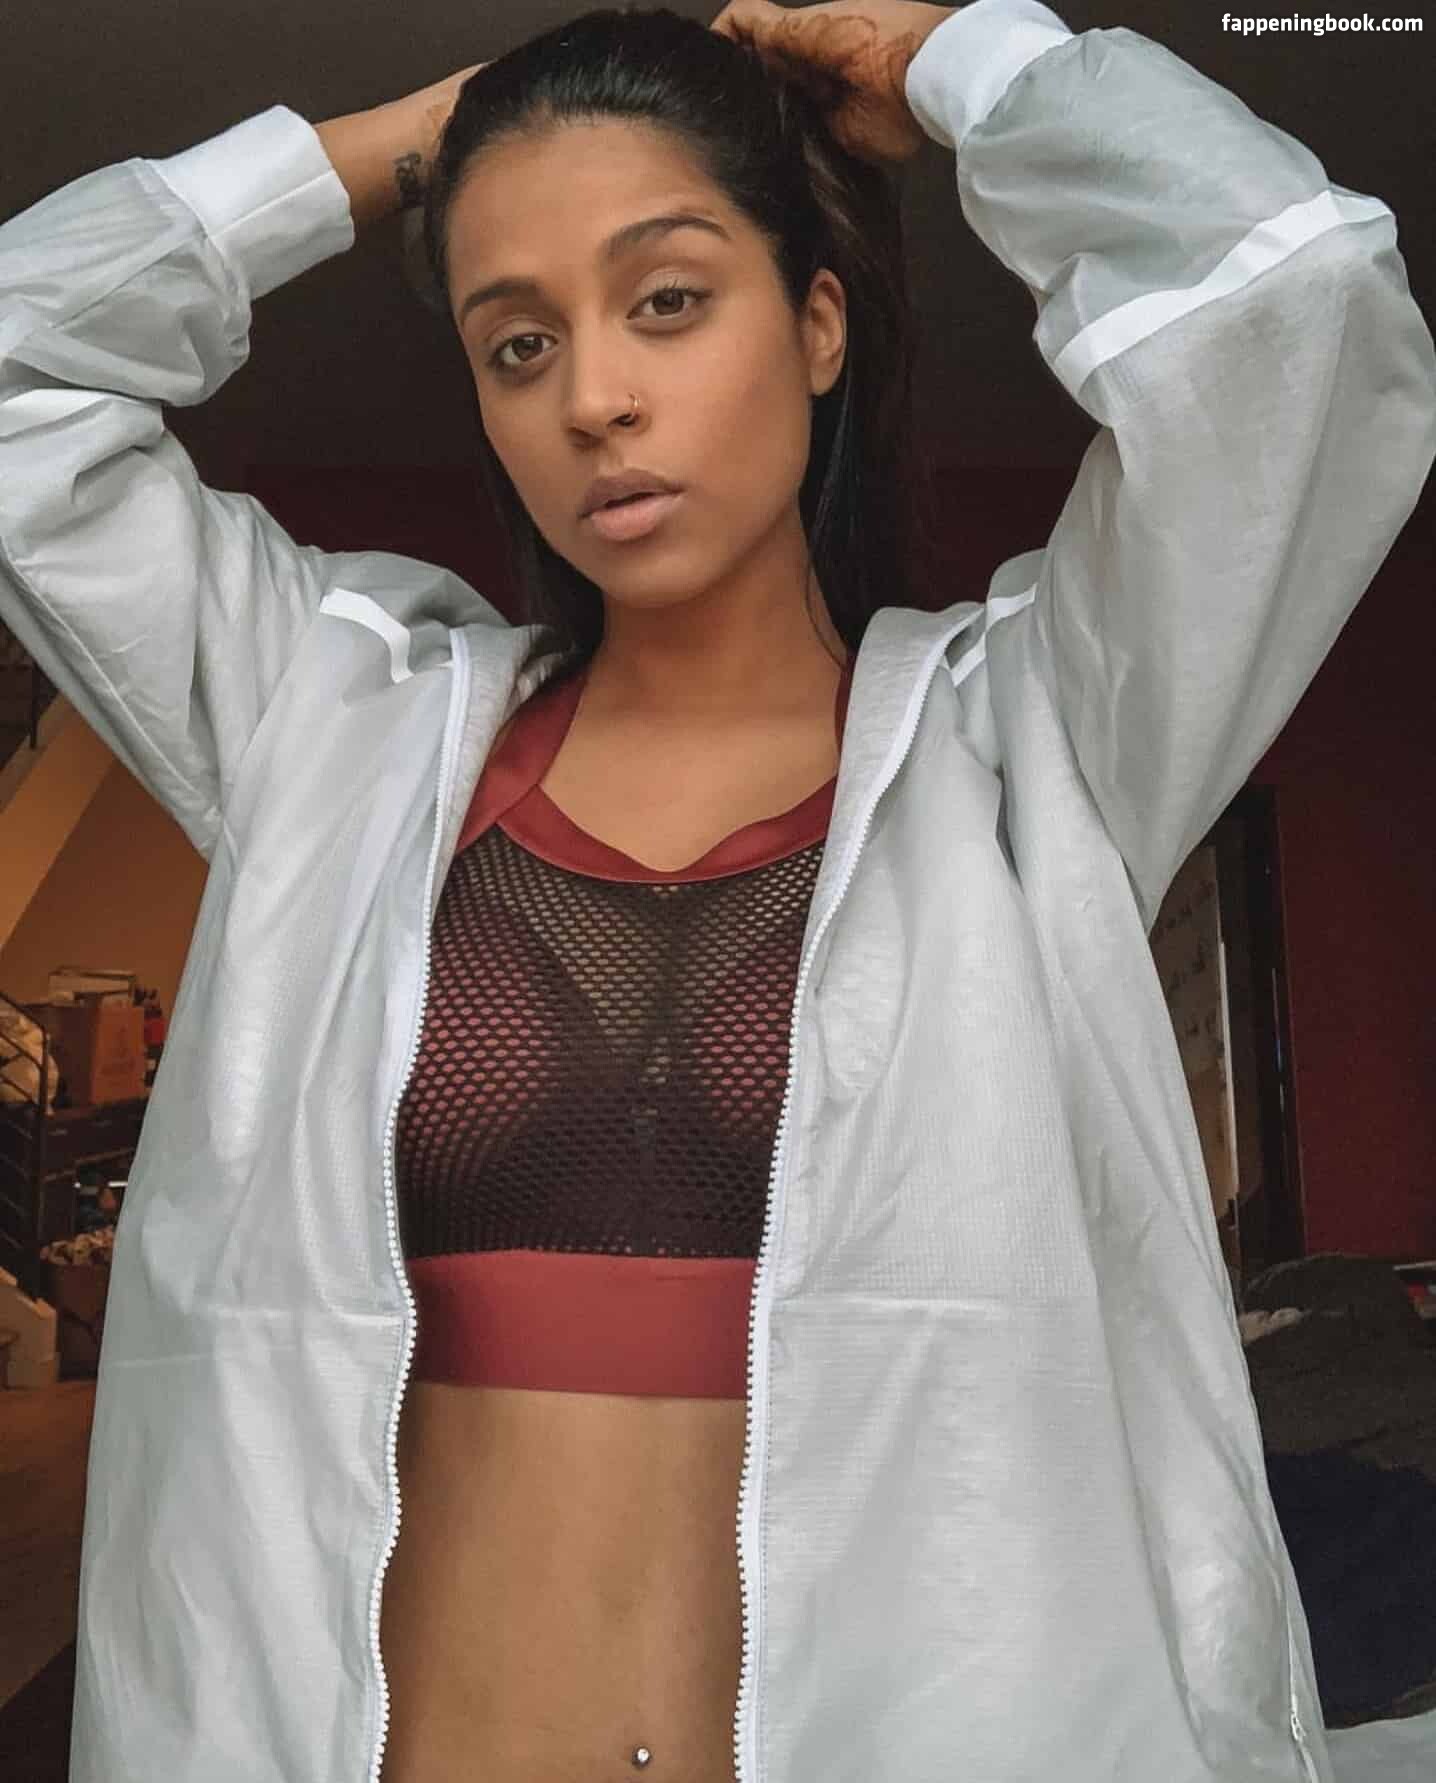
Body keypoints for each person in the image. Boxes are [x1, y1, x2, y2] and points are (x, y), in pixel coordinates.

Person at [0, 0, 1431, 1778]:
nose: (593, 396)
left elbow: (1294, 302)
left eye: (666, 299)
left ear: (818, 323)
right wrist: (393, 155)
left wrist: (958, 61)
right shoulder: (336, 743)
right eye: (517, 342)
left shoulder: (1033, 748)